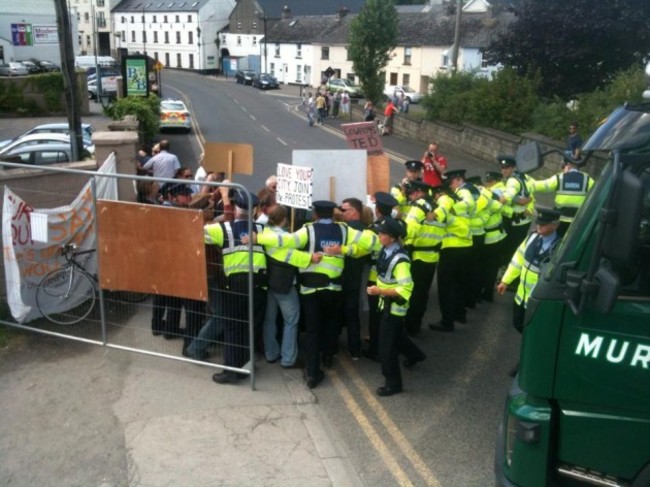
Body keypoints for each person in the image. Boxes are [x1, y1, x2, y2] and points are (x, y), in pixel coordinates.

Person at [255, 201, 359, 389]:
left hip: (309, 289)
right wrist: (344, 250)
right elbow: (363, 244)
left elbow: (287, 243)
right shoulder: (344, 230)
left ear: (316, 214)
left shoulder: (306, 230)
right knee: (330, 323)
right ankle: (327, 356)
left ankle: (312, 371)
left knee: (312, 328)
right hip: (333, 287)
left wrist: (258, 239)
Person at [202, 190, 267, 385]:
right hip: (258, 285)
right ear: (254, 210)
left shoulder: (223, 229)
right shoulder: (262, 230)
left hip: (235, 285)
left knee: (232, 327)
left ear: (236, 207)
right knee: (250, 326)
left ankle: (231, 370)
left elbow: (196, 233)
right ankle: (246, 365)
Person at [497, 208, 561, 377]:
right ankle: (535, 352)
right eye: (538, 222)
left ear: (555, 225)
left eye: (544, 224)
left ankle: (526, 362)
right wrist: (505, 280)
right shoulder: (532, 237)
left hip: (537, 299)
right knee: (518, 323)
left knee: (532, 332)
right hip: (521, 295)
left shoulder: (558, 247)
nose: (539, 226)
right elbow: (518, 260)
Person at [367, 217, 426, 397]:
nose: (379, 235)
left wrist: (380, 291)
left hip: (394, 308)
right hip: (385, 304)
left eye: (382, 233)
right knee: (398, 337)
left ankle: (393, 384)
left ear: (392, 237)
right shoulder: (386, 249)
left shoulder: (400, 260)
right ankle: (415, 355)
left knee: (386, 348)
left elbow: (405, 288)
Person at [260, 205, 315, 368]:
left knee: (269, 321)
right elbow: (291, 257)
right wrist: (310, 258)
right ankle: (288, 358)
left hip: (269, 283)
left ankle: (271, 353)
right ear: (284, 219)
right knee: (291, 321)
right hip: (285, 285)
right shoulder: (285, 238)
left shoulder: (264, 232)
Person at [427, 177, 473, 333]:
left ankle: (447, 322)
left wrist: (435, 214)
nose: (435, 198)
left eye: (435, 195)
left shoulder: (446, 200)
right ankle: (460, 315)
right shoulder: (459, 202)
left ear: (441, 192)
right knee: (460, 284)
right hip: (466, 247)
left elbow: (443, 207)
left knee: (445, 287)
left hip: (451, 250)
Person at [402, 180, 443, 336]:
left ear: (419, 192)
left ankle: (409, 326)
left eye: (412, 193)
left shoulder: (418, 206)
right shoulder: (438, 206)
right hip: (432, 256)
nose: (410, 197)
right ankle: (416, 325)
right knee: (423, 293)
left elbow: (409, 229)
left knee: (412, 293)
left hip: (417, 256)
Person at [364, 191, 400, 361]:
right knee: (391, 315)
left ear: (377, 210)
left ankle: (375, 349)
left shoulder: (374, 228)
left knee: (375, 315)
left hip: (376, 277)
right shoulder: (399, 225)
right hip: (395, 277)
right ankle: (392, 345)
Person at [532, 157, 595, 235]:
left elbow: (543, 186)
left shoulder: (560, 177)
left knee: (558, 241)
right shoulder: (587, 179)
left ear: (568, 165)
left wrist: (527, 182)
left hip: (559, 219)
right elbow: (597, 192)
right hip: (577, 220)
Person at [499, 155, 535, 266]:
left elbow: (506, 198)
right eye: (502, 167)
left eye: (507, 167)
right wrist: (522, 201)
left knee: (510, 249)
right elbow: (530, 193)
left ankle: (508, 272)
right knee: (517, 248)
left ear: (513, 167)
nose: (504, 170)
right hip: (524, 220)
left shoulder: (512, 181)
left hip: (515, 221)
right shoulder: (524, 177)